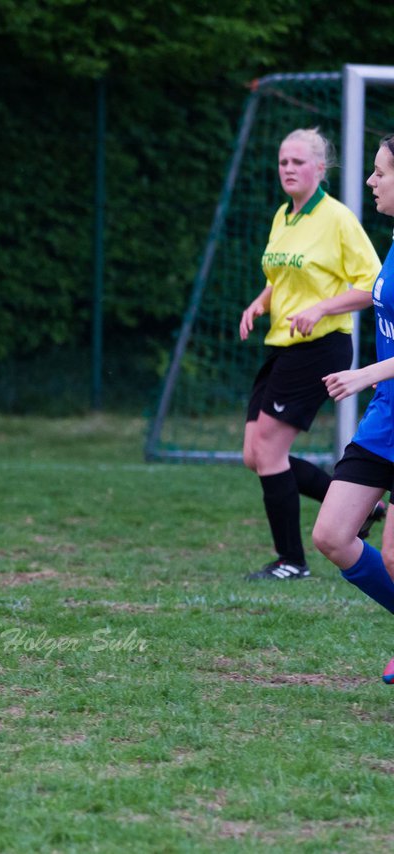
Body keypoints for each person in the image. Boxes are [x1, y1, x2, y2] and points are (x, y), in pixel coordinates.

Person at [239, 127, 382, 581]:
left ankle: (291, 561)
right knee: (254, 453)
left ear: (321, 168)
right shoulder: (284, 216)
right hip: (283, 344)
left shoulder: (338, 218)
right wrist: (262, 300)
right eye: (283, 161)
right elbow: (282, 274)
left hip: (321, 347)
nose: (289, 169)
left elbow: (371, 285)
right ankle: (365, 504)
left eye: (298, 162)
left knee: (268, 449)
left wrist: (322, 307)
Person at [313, 134, 394, 681]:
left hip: (382, 392)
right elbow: (378, 293)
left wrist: (365, 372)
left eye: (380, 171)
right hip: (386, 416)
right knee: (333, 535)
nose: (371, 181)